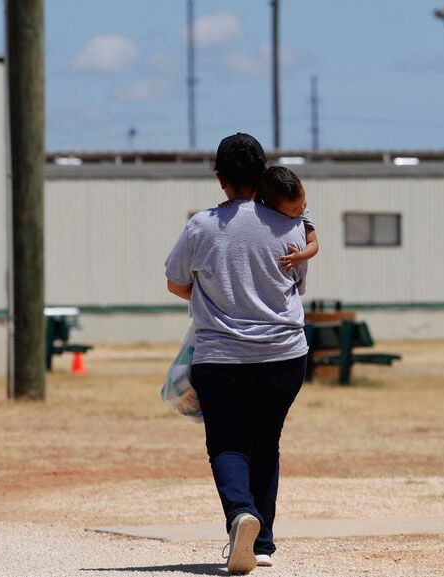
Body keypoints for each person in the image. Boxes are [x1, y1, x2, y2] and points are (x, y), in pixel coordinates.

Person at [164, 133, 309, 574]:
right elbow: (296, 286)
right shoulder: (291, 225)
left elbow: (174, 281)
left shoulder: (201, 226)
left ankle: (240, 514)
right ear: (264, 174)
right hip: (285, 353)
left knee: (228, 444)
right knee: (267, 442)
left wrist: (205, 295)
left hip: (221, 356)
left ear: (220, 179)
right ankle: (262, 544)